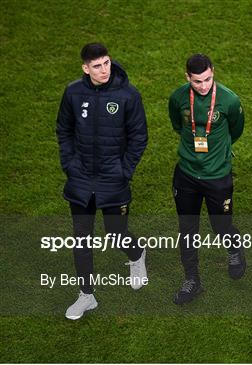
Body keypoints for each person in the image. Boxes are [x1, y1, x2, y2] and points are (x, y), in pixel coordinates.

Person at [56, 43, 148, 320]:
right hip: (81, 180)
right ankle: (87, 296)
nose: (103, 69)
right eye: (96, 65)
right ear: (86, 68)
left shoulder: (128, 95)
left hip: (113, 180)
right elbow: (64, 129)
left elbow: (139, 137)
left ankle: (137, 255)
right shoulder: (73, 92)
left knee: (116, 233)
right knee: (81, 241)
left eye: (106, 63)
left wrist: (124, 171)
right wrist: (70, 165)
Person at [169, 54, 246, 305]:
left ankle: (234, 249)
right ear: (187, 77)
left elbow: (236, 129)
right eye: (197, 81)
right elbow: (177, 125)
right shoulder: (178, 98)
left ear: (213, 72)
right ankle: (192, 280)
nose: (203, 86)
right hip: (187, 175)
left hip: (218, 176)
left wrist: (219, 150)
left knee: (221, 225)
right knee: (187, 231)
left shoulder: (229, 100)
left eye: (207, 79)